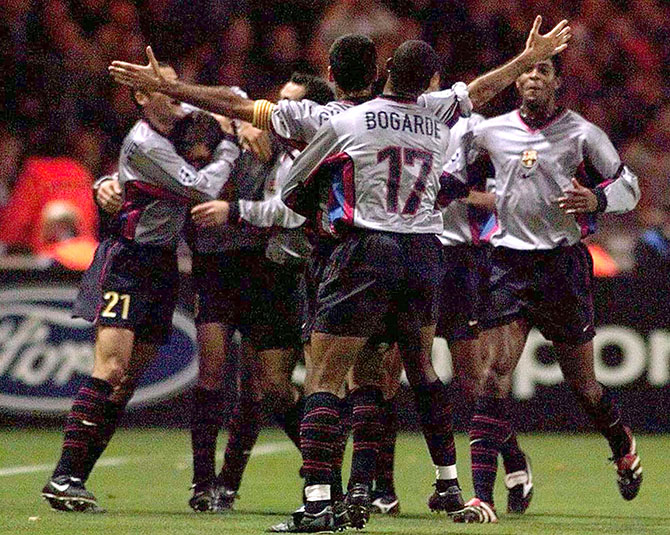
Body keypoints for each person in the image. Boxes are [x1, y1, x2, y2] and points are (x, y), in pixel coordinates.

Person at [444, 55, 642, 524]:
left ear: (557, 83)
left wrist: (597, 198)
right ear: (517, 81)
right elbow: (452, 180)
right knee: (493, 377)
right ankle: (482, 499)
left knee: (584, 386)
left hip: (561, 267)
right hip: (507, 264)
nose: (532, 78)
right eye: (527, 71)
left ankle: (622, 444)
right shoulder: (488, 132)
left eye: (543, 72)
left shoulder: (582, 134)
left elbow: (628, 186)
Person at [40, 64, 241, 513]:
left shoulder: (180, 112)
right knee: (111, 369)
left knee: (128, 381)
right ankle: (63, 474)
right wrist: (227, 145)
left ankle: (73, 480)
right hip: (127, 261)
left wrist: (188, 92)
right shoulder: (145, 142)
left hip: (162, 265)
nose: (171, 94)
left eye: (172, 85)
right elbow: (201, 187)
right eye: (158, 88)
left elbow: (231, 92)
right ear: (140, 99)